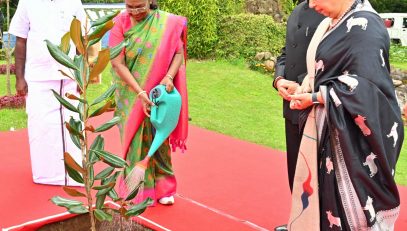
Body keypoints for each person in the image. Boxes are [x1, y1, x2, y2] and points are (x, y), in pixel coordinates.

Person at [287, 0, 403, 230]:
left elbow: (367, 88)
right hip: (330, 129)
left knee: (353, 210)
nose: (310, 4)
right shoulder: (333, 23)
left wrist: (315, 97)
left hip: (354, 138)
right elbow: (324, 71)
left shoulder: (366, 27)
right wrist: (307, 85)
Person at [109, 0, 188, 205]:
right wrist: (139, 92)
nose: (135, 12)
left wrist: (169, 77)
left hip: (159, 92)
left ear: (150, 1)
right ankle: (138, 190)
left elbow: (178, 53)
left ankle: (163, 188)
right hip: (130, 93)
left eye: (140, 6)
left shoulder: (167, 23)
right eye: (130, 7)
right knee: (136, 137)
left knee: (159, 136)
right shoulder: (119, 23)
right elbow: (117, 62)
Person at [9, 0, 86, 186]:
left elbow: (81, 40)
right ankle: (45, 174)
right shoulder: (27, 1)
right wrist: (20, 77)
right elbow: (20, 40)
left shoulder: (73, 1)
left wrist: (81, 74)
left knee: (72, 123)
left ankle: (74, 175)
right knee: (40, 125)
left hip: (69, 73)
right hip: (38, 74)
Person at [273, 1, 324, 230]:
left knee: (317, 174)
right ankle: (299, 222)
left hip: (315, 105)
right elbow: (286, 51)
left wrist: (303, 84)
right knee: (296, 171)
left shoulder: (331, 11)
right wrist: (279, 79)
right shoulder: (298, 9)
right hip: (291, 106)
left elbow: (329, 59)